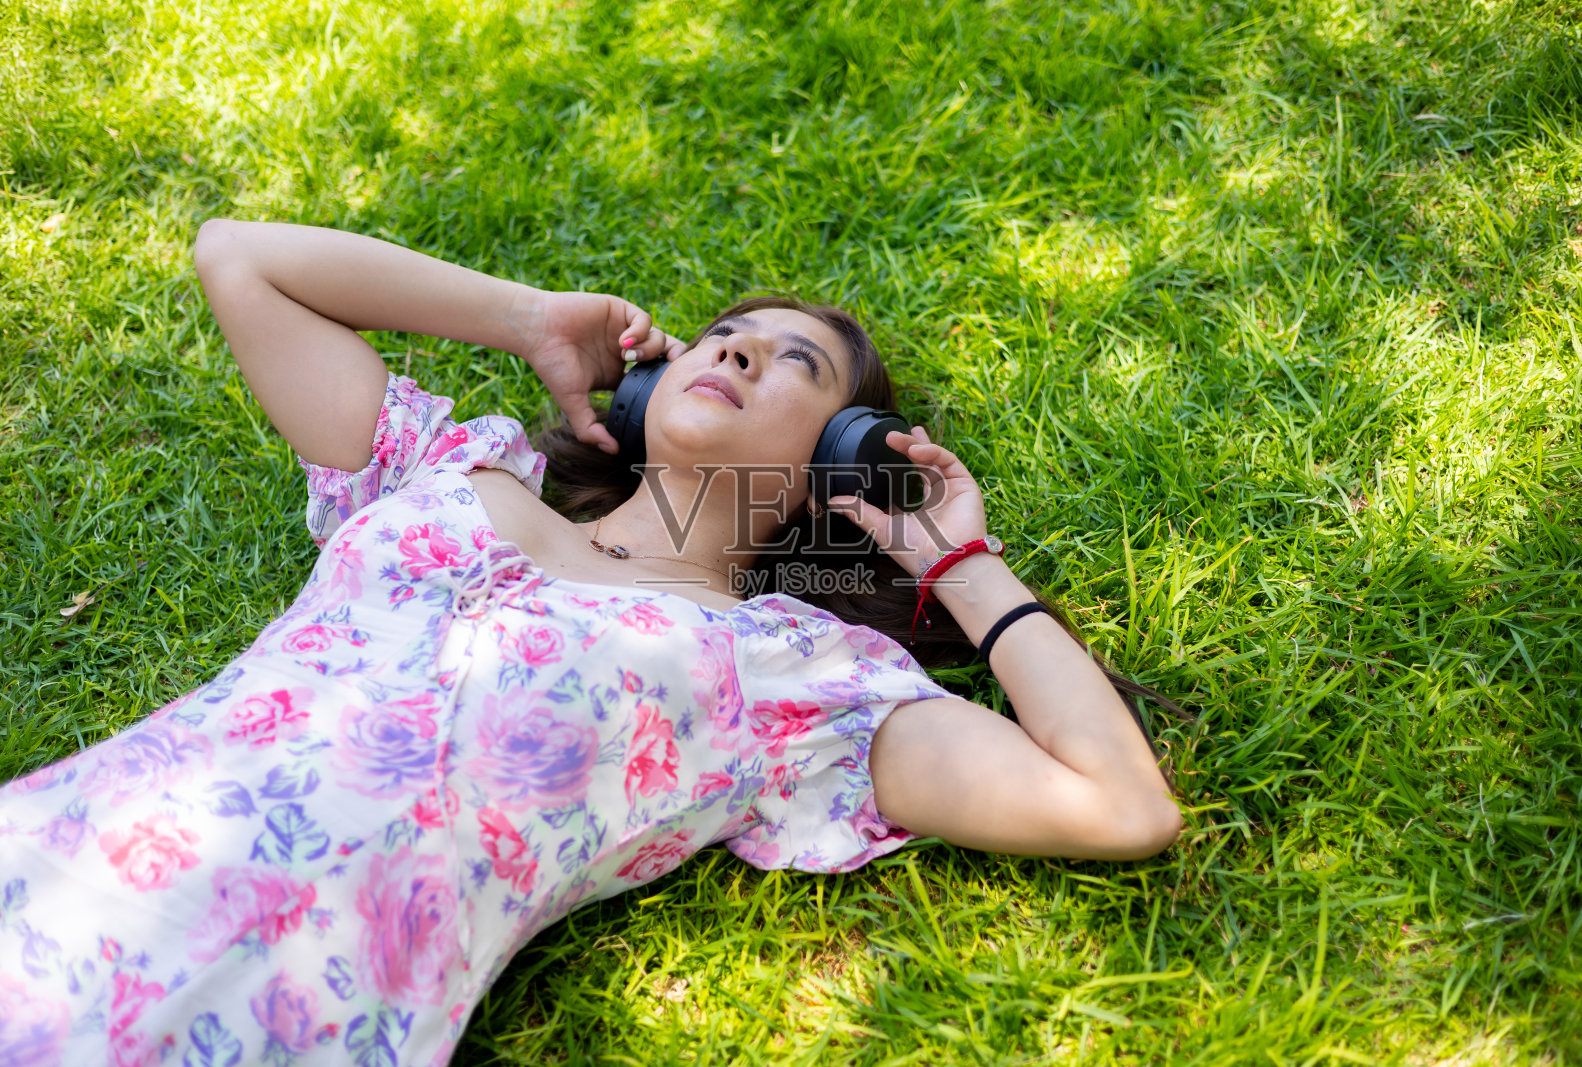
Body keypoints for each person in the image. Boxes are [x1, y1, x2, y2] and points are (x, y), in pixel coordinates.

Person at [0, 221, 1181, 1066]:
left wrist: (959, 564)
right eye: (723, 337)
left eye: (789, 365)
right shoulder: (445, 471)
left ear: (837, 465)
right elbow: (240, 257)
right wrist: (525, 318)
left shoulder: (783, 681)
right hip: (48, 854)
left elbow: (1119, 806)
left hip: (265, 1002)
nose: (732, 354)